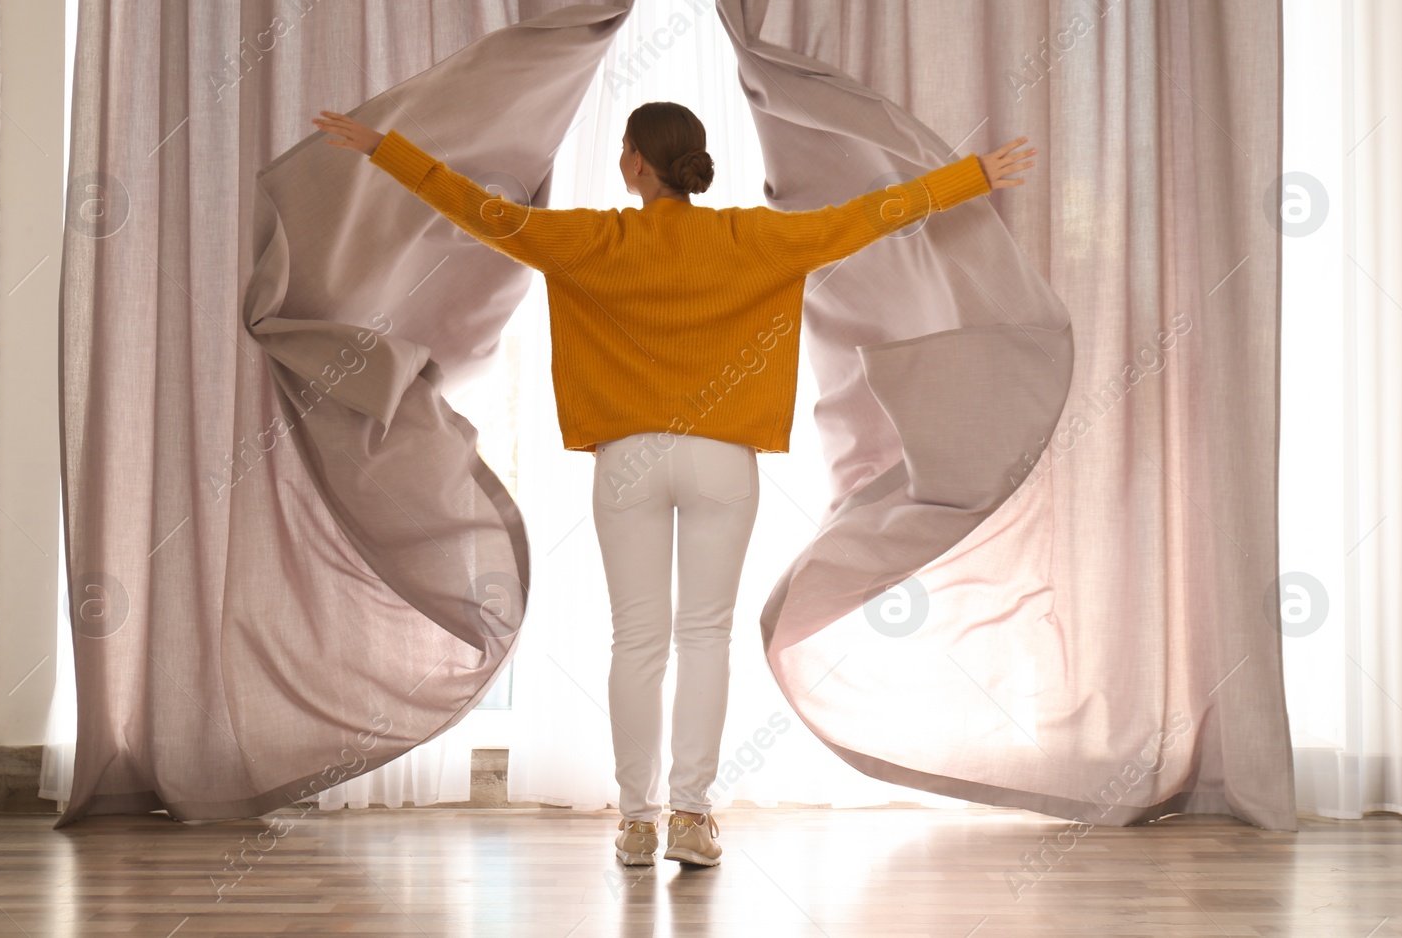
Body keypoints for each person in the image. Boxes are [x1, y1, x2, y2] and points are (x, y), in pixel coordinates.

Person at [311, 102, 1036, 867]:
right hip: (723, 459)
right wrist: (972, 177)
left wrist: (385, 149)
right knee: (705, 638)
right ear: (689, 162)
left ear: (633, 162)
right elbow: (870, 216)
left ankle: (635, 824)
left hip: (629, 461)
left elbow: (478, 209)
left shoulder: (589, 239)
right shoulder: (755, 238)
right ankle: (691, 817)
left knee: (637, 641)